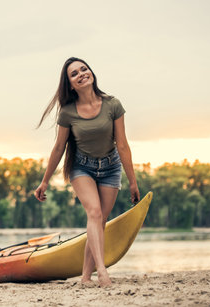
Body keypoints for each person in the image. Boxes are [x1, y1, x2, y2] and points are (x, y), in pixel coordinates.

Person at [34, 57, 140, 288]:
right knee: (94, 213)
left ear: (91, 73)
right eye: (74, 73)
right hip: (82, 167)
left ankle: (85, 276)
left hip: (111, 167)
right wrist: (44, 182)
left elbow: (122, 144)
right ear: (70, 84)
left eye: (84, 69)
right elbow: (59, 147)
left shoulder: (113, 104)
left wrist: (132, 182)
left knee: (99, 221)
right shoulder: (68, 112)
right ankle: (101, 272)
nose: (81, 73)